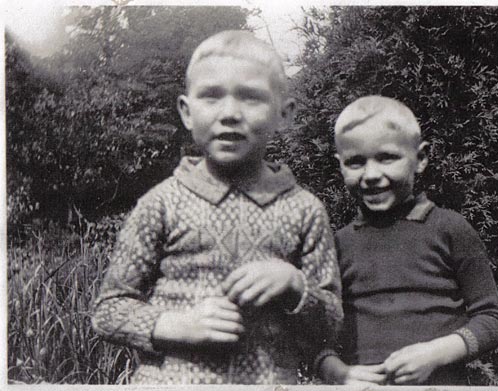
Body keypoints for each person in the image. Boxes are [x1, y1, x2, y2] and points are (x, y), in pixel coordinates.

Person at [92, 30, 342, 385]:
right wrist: (178, 325)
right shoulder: (161, 202)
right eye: (211, 97)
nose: (229, 113)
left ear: (283, 114)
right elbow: (108, 310)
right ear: (186, 112)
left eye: (251, 98)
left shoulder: (305, 210)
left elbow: (330, 325)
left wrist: (295, 284)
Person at [318, 96, 498, 385]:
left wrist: (436, 353)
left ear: (420, 158)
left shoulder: (451, 229)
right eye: (355, 162)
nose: (371, 175)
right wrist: (339, 373)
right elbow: (319, 337)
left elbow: (492, 319)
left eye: (387, 158)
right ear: (340, 165)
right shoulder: (339, 244)